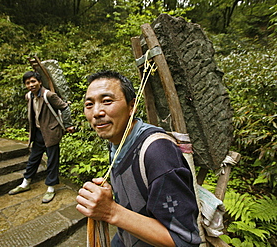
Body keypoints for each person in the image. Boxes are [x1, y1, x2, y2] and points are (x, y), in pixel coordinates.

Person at [76, 70, 201, 246]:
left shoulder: (159, 153)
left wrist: (110, 211)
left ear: (131, 107)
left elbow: (184, 241)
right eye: (89, 104)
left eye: (107, 101)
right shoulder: (117, 142)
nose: (96, 112)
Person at [9, 71, 75, 203]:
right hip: (38, 133)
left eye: (33, 81)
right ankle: (25, 183)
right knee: (33, 158)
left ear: (39, 82)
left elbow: (65, 108)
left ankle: (50, 188)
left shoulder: (49, 95)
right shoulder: (29, 96)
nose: (31, 85)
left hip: (51, 133)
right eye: (28, 83)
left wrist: (68, 124)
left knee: (52, 160)